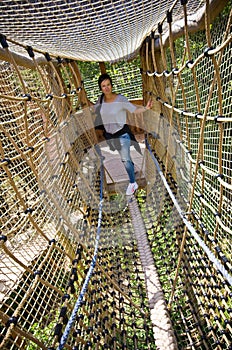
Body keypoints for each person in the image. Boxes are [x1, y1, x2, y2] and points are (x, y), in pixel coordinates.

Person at [92, 73, 152, 196]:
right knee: (124, 157)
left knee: (124, 159)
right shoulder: (101, 99)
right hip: (110, 135)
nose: (106, 88)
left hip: (122, 133)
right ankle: (132, 167)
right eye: (103, 86)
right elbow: (94, 109)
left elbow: (134, 110)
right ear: (101, 88)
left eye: (108, 84)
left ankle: (132, 183)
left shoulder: (120, 99)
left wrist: (145, 108)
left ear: (111, 85)